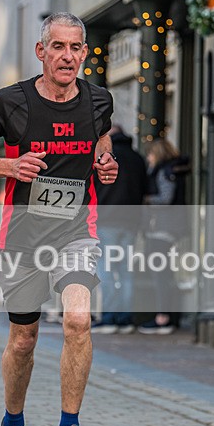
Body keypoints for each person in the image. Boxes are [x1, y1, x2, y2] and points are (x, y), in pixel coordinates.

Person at [0, 12, 118, 426]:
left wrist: (104, 161)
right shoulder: (11, 102)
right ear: (41, 51)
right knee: (24, 339)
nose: (68, 57)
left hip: (76, 231)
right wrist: (10, 167)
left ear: (85, 53)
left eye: (76, 48)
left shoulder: (98, 100)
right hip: (23, 237)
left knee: (78, 320)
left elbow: (100, 137)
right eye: (59, 47)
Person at [91, 125, 147, 334]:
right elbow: (146, 191)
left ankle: (108, 318)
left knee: (105, 270)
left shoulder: (103, 157)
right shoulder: (137, 158)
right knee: (125, 272)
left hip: (106, 220)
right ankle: (125, 319)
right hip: (131, 222)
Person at [138, 139, 190, 335]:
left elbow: (165, 198)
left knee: (161, 273)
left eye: (151, 154)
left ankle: (163, 317)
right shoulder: (173, 170)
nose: (149, 158)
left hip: (162, 228)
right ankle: (169, 315)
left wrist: (145, 200)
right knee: (165, 272)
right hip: (168, 228)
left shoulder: (164, 171)